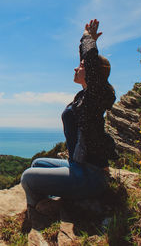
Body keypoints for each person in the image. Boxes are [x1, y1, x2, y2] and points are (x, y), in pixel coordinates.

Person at [21, 19, 118, 218]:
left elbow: (91, 63)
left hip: (91, 177)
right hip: (79, 167)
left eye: (80, 66)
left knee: (27, 178)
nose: (76, 69)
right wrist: (86, 47)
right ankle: (57, 198)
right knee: (37, 163)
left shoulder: (95, 97)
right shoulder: (86, 97)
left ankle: (38, 214)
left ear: (93, 74)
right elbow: (89, 64)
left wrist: (88, 39)